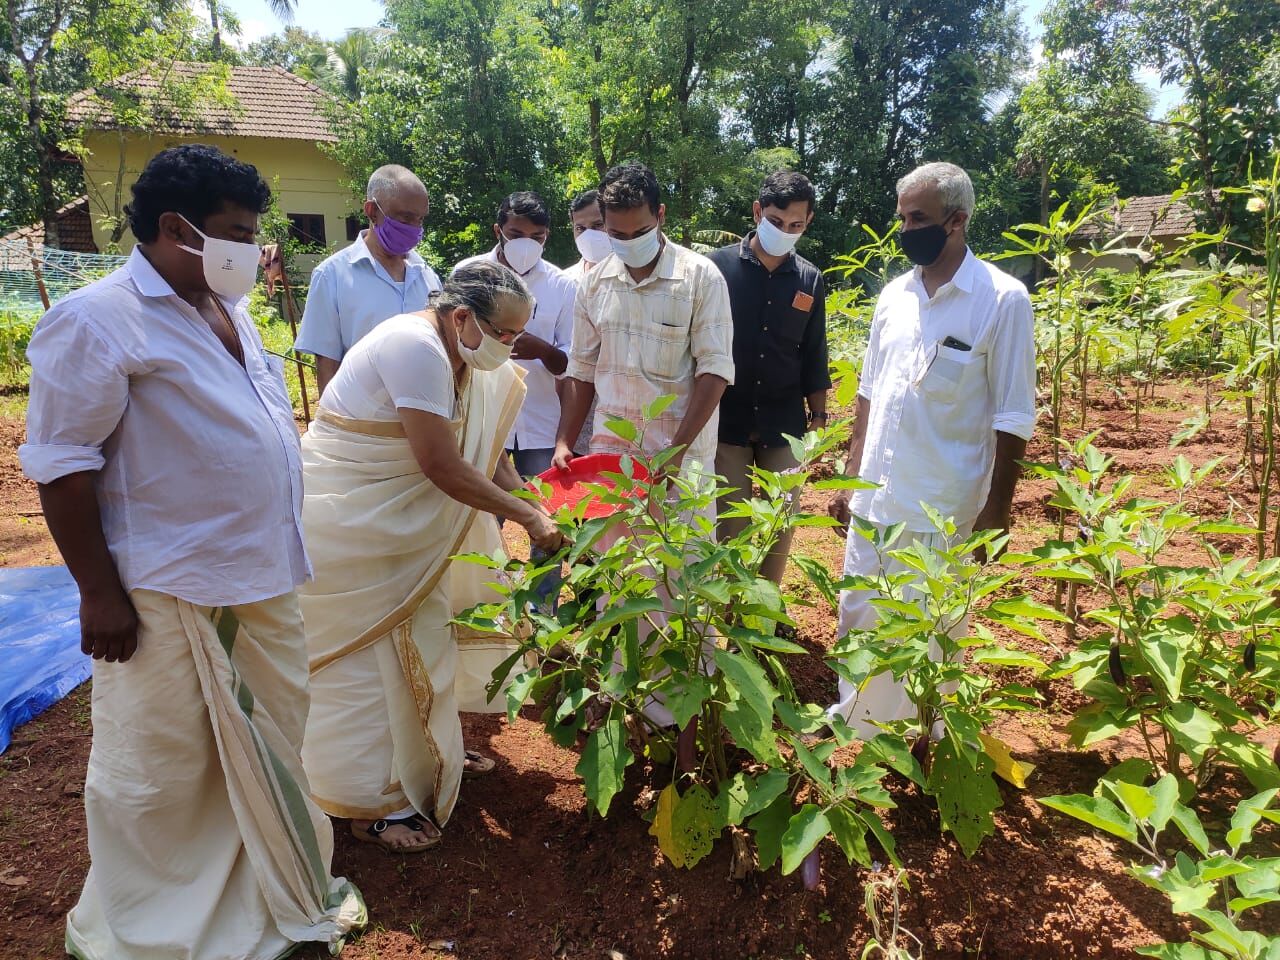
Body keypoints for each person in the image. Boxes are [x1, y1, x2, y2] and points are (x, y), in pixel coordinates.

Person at [19, 144, 365, 960]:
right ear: (178, 228)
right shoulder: (96, 320)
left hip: (262, 578)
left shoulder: (226, 307)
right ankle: (159, 930)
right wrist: (98, 593)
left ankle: (267, 894)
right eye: (237, 232)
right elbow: (63, 467)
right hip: (166, 593)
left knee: (275, 739)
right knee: (164, 774)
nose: (252, 248)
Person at [299, 261, 566, 854]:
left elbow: (481, 447)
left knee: (427, 638)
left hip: (404, 530)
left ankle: (431, 752)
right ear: (462, 317)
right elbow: (442, 465)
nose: (511, 349)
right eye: (505, 335)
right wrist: (525, 517)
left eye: (518, 336)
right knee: (368, 669)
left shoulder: (464, 355)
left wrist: (527, 495)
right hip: (357, 529)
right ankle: (371, 802)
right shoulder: (415, 347)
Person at [826, 161, 1036, 738]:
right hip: (876, 492)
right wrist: (850, 473)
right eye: (901, 218)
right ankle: (858, 723)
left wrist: (998, 510)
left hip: (942, 499)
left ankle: (923, 735)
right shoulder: (894, 296)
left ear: (957, 220)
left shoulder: (1002, 300)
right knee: (860, 614)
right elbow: (868, 388)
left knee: (931, 626)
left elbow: (1014, 414)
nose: (905, 229)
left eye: (917, 218)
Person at [554, 161, 734, 479]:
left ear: (660, 215)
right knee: (616, 532)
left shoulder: (700, 278)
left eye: (640, 232)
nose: (630, 242)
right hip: (611, 457)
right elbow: (581, 370)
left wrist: (676, 451)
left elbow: (714, 371)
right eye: (617, 234)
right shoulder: (594, 284)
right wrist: (564, 440)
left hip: (681, 458)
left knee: (680, 532)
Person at [709, 170, 829, 587]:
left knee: (781, 524)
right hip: (728, 419)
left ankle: (763, 610)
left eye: (796, 225)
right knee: (731, 522)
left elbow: (815, 351)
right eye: (777, 222)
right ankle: (730, 612)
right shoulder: (717, 269)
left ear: (808, 222)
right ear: (758, 212)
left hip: (785, 423)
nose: (785, 232)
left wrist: (818, 418)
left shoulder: (809, 279)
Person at [294, 164, 442, 394]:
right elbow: (327, 365)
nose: (414, 229)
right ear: (373, 211)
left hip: (423, 419)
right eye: (406, 218)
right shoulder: (332, 276)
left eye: (420, 220)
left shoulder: (427, 276)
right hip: (362, 423)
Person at [561, 189, 608, 454]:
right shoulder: (564, 282)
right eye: (580, 228)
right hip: (572, 424)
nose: (589, 235)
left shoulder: (633, 281)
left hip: (619, 424)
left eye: (598, 225)